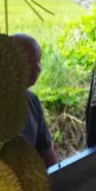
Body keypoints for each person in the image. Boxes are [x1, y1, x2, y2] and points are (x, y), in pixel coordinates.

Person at [12, 33, 59, 167]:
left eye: (39, 60)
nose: (38, 68)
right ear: (10, 62)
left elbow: (45, 151)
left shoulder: (32, 101)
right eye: (29, 61)